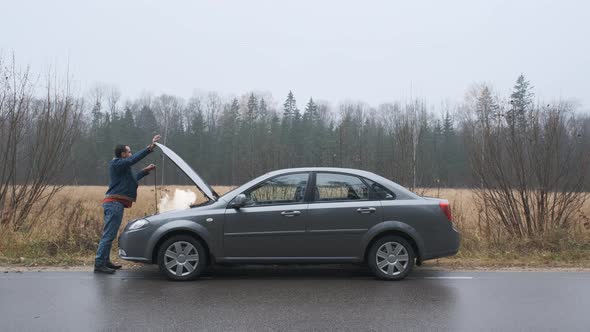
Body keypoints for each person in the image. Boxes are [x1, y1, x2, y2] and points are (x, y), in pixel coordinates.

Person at [94, 134, 161, 274]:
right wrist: (150, 147)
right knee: (108, 235)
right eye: (129, 152)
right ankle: (99, 263)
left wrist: (145, 171)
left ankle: (105, 261)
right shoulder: (116, 163)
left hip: (116, 204)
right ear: (123, 154)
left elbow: (133, 179)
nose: (130, 154)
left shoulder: (123, 167)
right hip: (113, 204)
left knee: (110, 234)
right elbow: (132, 160)